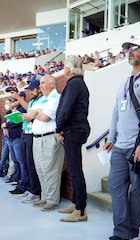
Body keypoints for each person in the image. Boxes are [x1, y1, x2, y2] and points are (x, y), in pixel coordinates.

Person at [102, 37, 140, 240]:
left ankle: (130, 231)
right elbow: (115, 111)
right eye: (126, 48)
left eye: (134, 48)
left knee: (138, 189)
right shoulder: (125, 82)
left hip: (138, 145)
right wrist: (111, 137)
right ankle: (121, 230)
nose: (129, 51)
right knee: (115, 185)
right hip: (120, 146)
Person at [55, 55, 91, 222]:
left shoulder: (75, 83)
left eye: (64, 65)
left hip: (73, 130)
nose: (63, 68)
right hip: (75, 129)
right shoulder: (76, 83)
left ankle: (80, 210)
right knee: (74, 168)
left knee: (76, 171)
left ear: (69, 68)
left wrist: (58, 128)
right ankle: (76, 202)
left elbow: (65, 109)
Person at [27, 74, 64, 211]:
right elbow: (30, 113)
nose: (40, 86)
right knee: (41, 170)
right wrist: (37, 111)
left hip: (49, 138)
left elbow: (44, 117)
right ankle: (45, 197)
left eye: (43, 83)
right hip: (37, 138)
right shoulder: (43, 99)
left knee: (51, 171)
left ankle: (53, 200)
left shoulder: (56, 98)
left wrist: (36, 112)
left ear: (51, 84)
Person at [18, 81, 43, 203]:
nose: (30, 92)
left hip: (33, 134)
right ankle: (30, 188)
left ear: (39, 89)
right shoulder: (32, 101)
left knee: (32, 164)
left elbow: (32, 114)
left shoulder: (42, 100)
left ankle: (36, 191)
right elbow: (29, 111)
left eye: (32, 90)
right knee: (26, 163)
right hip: (24, 133)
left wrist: (18, 98)